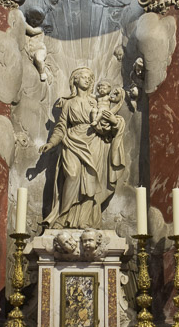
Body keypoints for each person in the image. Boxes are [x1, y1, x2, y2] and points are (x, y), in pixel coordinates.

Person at [39, 67, 125, 229]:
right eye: (83, 77)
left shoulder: (96, 101)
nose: (87, 80)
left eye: (89, 78)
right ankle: (62, 218)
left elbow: (107, 123)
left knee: (90, 181)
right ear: (75, 80)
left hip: (94, 140)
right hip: (72, 140)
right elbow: (61, 127)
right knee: (72, 175)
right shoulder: (69, 103)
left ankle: (85, 220)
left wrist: (114, 122)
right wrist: (51, 143)